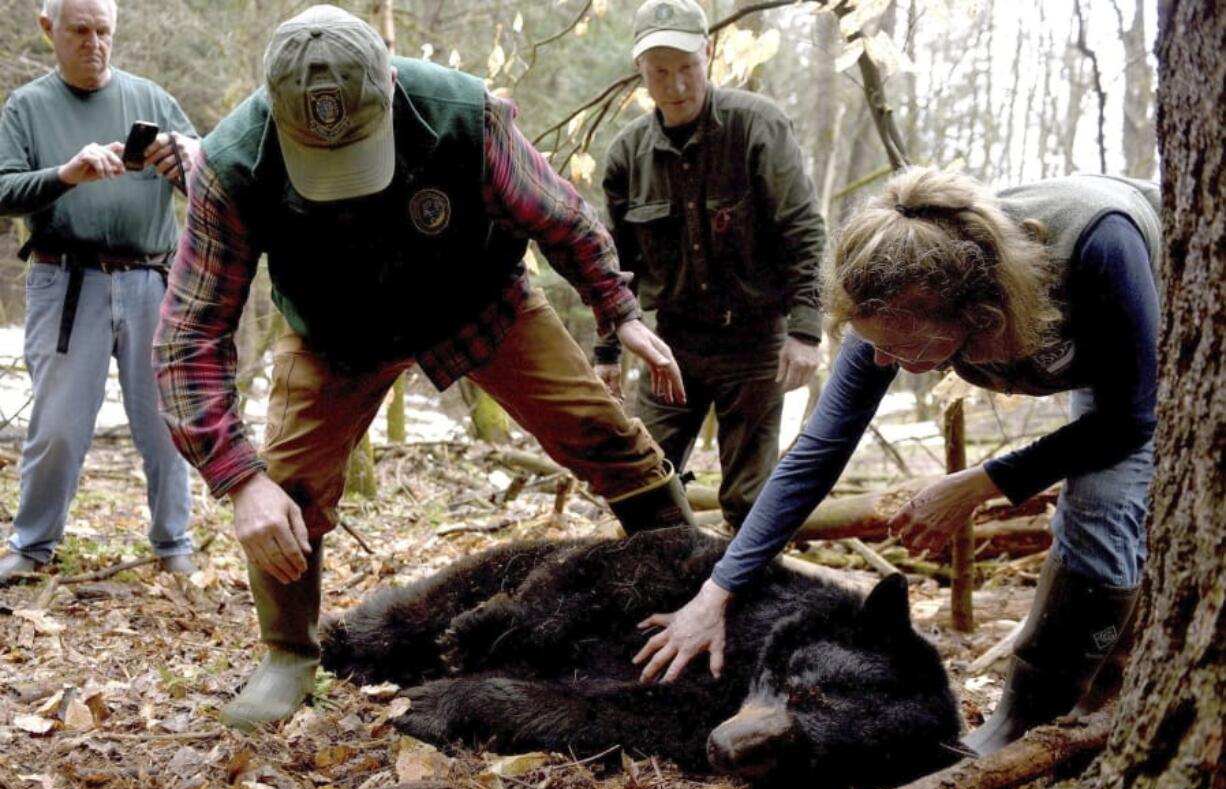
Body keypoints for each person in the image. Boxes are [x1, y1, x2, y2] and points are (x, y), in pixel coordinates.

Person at [154, 4, 694, 731]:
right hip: (335, 333)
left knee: (607, 437)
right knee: (289, 483)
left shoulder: (464, 115)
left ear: (390, 87)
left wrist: (618, 311)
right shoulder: (232, 165)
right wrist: (239, 479)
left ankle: (696, 591)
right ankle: (288, 652)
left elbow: (560, 217)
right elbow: (189, 336)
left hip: (482, 302)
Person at [633, 165, 1160, 756]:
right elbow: (818, 451)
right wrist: (718, 588)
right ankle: (1042, 722)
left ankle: (1059, 714)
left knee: (1101, 507)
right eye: (874, 345)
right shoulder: (890, 305)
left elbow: (1129, 420)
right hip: (1105, 370)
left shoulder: (1099, 247)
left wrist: (981, 484)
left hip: (1169, 330)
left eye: (904, 349)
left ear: (975, 312)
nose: (883, 362)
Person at [594, 0, 825, 530]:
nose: (675, 85)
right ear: (641, 73)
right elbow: (614, 262)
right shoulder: (627, 155)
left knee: (749, 499)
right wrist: (606, 350)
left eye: (687, 68)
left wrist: (806, 331)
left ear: (709, 54)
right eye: (660, 72)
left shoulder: (757, 127)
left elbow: (804, 231)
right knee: (640, 477)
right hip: (672, 345)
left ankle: (742, 602)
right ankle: (669, 591)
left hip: (754, 342)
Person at [0, 0, 197, 581]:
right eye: (80, 30)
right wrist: (66, 174)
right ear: (48, 29)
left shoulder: (151, 99)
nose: (94, 43)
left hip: (150, 280)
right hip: (65, 281)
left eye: (103, 30)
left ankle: (173, 542)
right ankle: (32, 545)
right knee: (58, 426)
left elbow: (213, 179)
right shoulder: (28, 106)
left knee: (164, 421)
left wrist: (183, 159)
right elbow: (3, 188)